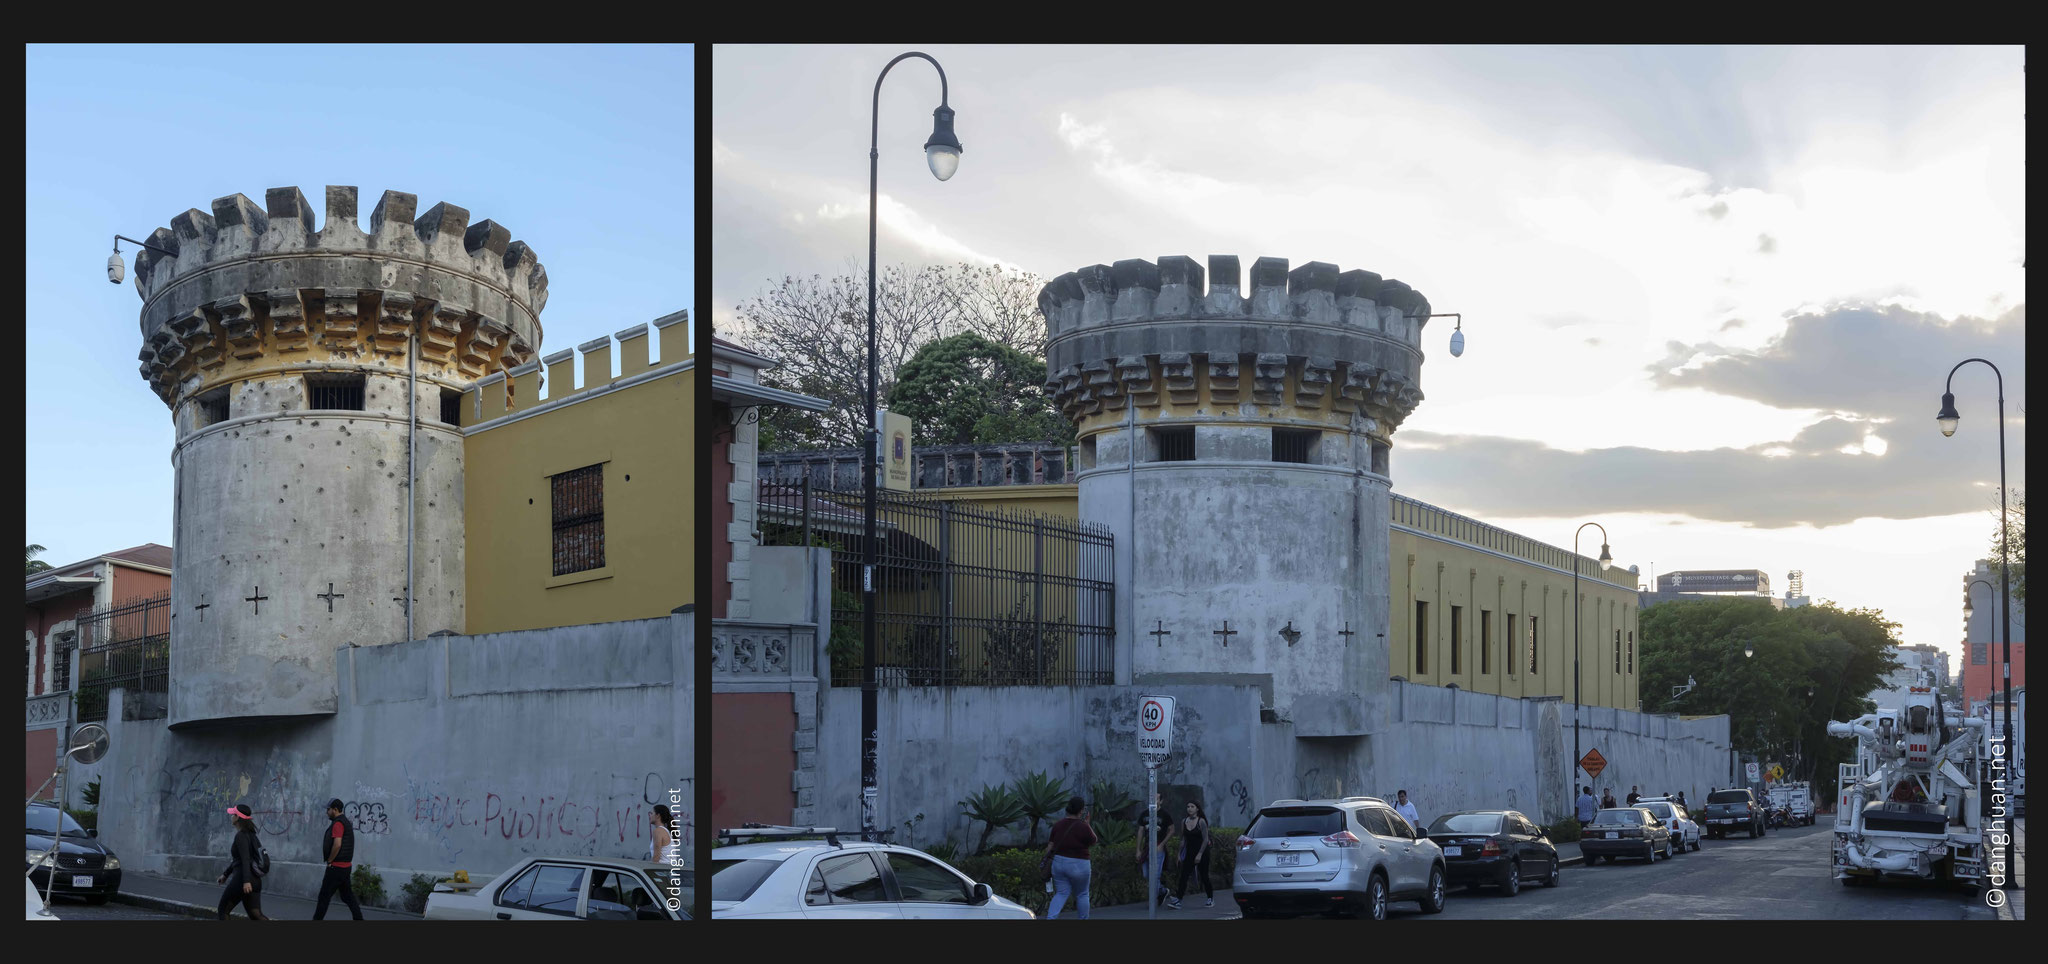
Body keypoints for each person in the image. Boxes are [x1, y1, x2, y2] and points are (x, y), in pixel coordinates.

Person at [1043, 796, 1096, 920]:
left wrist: (1045, 861)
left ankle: (1050, 918)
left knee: (1061, 893)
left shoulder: (1057, 825)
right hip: (1080, 864)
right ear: (1081, 811)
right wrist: (1087, 824)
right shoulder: (1083, 826)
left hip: (1059, 863)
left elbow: (1050, 847)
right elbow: (1094, 840)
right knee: (1082, 894)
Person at [216, 804, 270, 920]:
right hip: (255, 881)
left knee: (223, 911)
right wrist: (226, 874)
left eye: (232, 814)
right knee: (256, 915)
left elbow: (245, 859)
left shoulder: (241, 836)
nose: (231, 817)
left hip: (243, 880)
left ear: (237, 817)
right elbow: (240, 859)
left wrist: (246, 881)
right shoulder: (252, 835)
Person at [312, 799, 363, 920]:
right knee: (347, 896)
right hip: (345, 867)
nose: (327, 812)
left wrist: (330, 861)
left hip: (336, 867)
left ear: (335, 809)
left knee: (324, 897)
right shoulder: (345, 822)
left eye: (328, 809)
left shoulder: (338, 823)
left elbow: (337, 844)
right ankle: (359, 919)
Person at [1168, 801, 1213, 909]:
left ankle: (1210, 898)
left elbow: (1205, 839)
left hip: (1202, 852)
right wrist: (1179, 854)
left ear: (1197, 809)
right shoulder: (1184, 821)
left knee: (1204, 876)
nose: (1189, 808)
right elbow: (1183, 839)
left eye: (1192, 806)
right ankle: (1178, 900)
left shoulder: (1201, 821)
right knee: (1184, 875)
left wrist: (1200, 854)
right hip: (1189, 852)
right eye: (1188, 806)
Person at [1136, 792, 1174, 908]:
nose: (1154, 800)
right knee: (1146, 874)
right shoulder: (1144, 814)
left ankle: (1153, 901)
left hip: (1158, 848)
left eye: (1157, 799)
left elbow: (1172, 830)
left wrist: (1162, 844)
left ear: (1161, 801)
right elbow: (1141, 831)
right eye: (1152, 798)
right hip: (1147, 848)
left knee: (1155, 875)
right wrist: (1138, 849)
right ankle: (1162, 891)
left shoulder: (1165, 815)